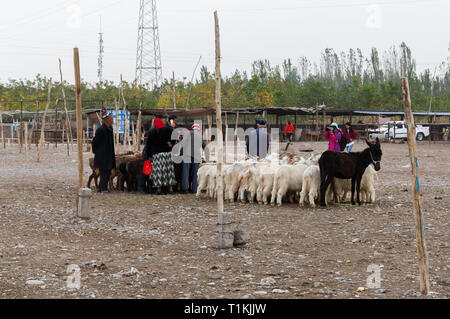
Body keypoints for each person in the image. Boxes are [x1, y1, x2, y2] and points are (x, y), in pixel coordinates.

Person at [146, 117, 176, 195]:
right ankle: (170, 188)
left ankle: (158, 189)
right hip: (167, 153)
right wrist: (171, 144)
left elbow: (148, 145)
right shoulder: (167, 129)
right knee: (168, 171)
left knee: (158, 171)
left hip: (156, 154)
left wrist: (149, 155)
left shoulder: (152, 131)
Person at [92, 113, 116, 193]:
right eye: (111, 119)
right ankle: (103, 188)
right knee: (103, 172)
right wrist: (97, 152)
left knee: (108, 171)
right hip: (102, 154)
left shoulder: (110, 128)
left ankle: (102, 187)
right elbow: (94, 142)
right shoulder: (101, 130)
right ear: (107, 120)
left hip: (109, 154)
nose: (113, 120)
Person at [181, 124, 203, 194]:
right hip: (196, 156)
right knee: (195, 173)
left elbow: (183, 145)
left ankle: (185, 188)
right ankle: (194, 189)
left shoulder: (188, 134)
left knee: (185, 171)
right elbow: (204, 145)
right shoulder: (200, 136)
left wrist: (180, 154)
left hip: (187, 154)